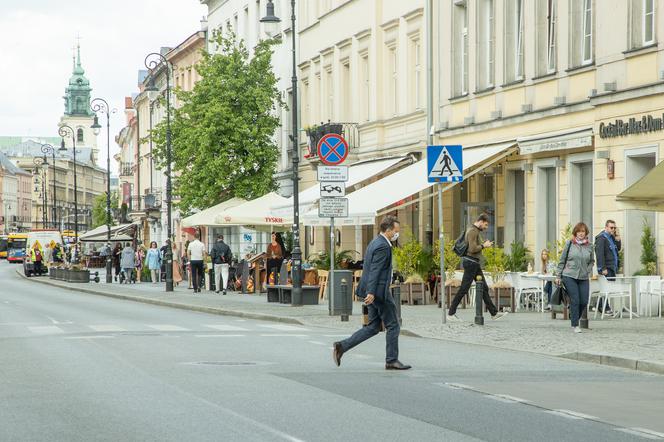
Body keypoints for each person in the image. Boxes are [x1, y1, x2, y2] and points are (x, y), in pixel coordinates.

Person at [332, 216, 411, 370]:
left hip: (374, 291)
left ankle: (342, 347)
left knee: (373, 327)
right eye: (396, 231)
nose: (397, 234)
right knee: (393, 325)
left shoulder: (375, 242)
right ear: (388, 230)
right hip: (379, 292)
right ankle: (391, 360)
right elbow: (375, 270)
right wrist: (372, 292)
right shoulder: (383, 246)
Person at [448, 213, 507, 321]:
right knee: (464, 289)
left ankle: (494, 313)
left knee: (483, 288)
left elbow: (473, 247)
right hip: (471, 263)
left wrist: (483, 244)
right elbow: (472, 249)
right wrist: (484, 246)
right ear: (480, 221)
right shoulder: (472, 231)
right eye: (485, 225)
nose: (486, 227)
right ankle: (451, 313)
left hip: (474, 263)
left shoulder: (473, 230)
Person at [556, 222, 595, 333]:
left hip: (583, 276)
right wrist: (558, 275)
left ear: (586, 232)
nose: (581, 233)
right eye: (579, 231)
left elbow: (592, 261)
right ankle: (575, 325)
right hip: (569, 275)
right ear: (575, 232)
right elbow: (562, 260)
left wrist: (588, 270)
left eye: (583, 231)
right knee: (575, 299)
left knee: (584, 301)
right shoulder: (569, 244)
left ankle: (573, 315)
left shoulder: (590, 246)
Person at [594, 220, 621, 315]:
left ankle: (599, 305)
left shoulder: (611, 237)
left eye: (614, 228)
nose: (613, 229)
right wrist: (602, 268)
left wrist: (617, 237)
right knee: (606, 288)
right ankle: (605, 307)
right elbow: (599, 254)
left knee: (607, 288)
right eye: (611, 228)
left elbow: (618, 248)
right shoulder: (601, 238)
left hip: (612, 267)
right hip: (606, 268)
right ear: (606, 227)